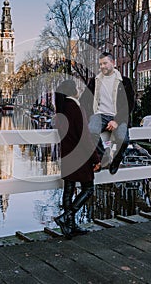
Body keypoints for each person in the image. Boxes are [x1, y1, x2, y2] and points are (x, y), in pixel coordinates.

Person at [54, 79, 101, 239]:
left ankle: (70, 227)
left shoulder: (61, 109)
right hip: (80, 156)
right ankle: (66, 218)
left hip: (66, 156)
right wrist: (95, 158)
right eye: (77, 88)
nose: (79, 90)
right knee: (88, 188)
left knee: (68, 190)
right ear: (72, 91)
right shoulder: (75, 107)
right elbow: (85, 137)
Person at [80, 52, 135, 175]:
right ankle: (102, 156)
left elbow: (130, 104)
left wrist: (117, 121)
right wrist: (90, 117)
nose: (102, 67)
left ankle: (116, 160)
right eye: (100, 64)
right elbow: (84, 101)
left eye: (105, 63)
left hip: (118, 117)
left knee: (124, 140)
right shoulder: (95, 81)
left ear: (113, 63)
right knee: (90, 132)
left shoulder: (125, 82)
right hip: (100, 115)